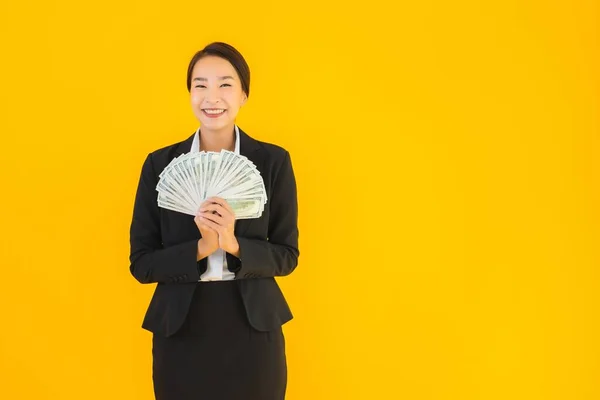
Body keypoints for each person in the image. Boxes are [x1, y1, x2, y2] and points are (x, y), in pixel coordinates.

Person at [128, 41, 299, 400]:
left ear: (244, 94)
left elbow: (287, 255)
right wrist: (202, 247)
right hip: (181, 326)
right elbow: (142, 263)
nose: (212, 96)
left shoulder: (273, 162)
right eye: (200, 85)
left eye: (225, 84)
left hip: (252, 325)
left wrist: (233, 244)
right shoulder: (159, 164)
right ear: (189, 93)